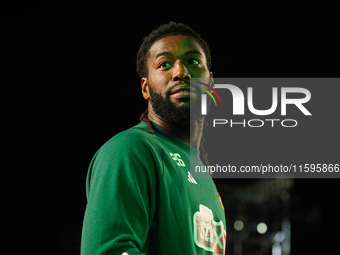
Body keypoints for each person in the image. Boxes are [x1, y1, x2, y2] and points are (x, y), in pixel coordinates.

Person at [81, 21, 226, 255]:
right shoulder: (130, 150)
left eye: (193, 61)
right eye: (165, 64)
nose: (181, 72)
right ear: (146, 88)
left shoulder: (204, 176)